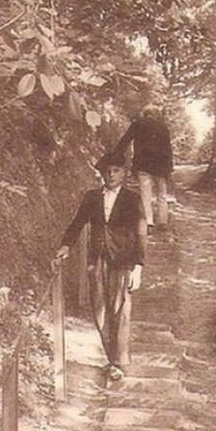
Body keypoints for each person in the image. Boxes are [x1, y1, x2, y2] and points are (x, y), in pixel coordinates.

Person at [55, 149, 147, 382]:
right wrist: (66, 246)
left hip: (123, 261)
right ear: (102, 174)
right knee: (99, 310)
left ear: (124, 173)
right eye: (107, 171)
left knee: (121, 309)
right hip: (97, 260)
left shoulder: (132, 199)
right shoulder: (92, 197)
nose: (111, 174)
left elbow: (140, 233)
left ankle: (119, 361)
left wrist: (138, 266)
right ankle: (110, 357)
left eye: (116, 170)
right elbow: (77, 223)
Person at [113, 104, 173, 232]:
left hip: (143, 164)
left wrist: (115, 155)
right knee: (162, 194)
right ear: (156, 114)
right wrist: (169, 168)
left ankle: (149, 222)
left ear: (144, 114)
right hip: (161, 166)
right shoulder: (163, 127)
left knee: (146, 193)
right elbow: (168, 150)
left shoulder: (137, 124)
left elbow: (125, 141)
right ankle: (163, 221)